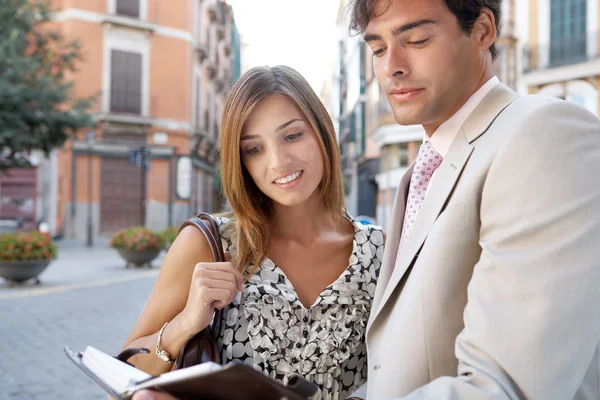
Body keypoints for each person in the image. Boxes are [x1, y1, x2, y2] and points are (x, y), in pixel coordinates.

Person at [345, 0, 600, 399]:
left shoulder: (543, 134)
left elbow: (503, 389)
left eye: (416, 39)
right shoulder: (423, 168)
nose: (390, 66)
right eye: (377, 48)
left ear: (483, 30)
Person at [121, 65, 385, 400]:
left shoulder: (378, 253)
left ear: (322, 133)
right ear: (240, 161)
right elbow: (126, 378)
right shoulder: (208, 244)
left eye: (292, 136)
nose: (279, 161)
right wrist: (187, 322)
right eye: (254, 149)